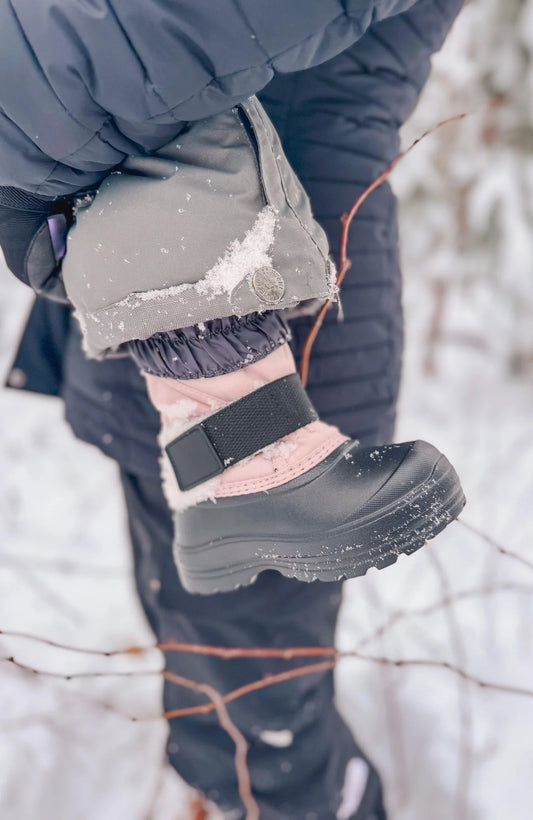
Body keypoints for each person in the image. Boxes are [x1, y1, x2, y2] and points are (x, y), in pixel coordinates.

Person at [0, 1, 465, 817]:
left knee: (255, 692)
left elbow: (99, 46)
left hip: (270, 299)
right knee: (230, 683)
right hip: (190, 287)